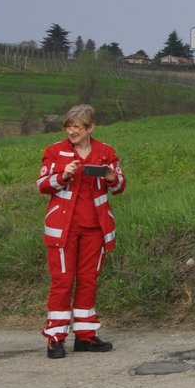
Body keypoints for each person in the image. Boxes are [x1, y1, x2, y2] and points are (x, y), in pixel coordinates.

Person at [35, 104, 124, 358]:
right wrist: (62, 175)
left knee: (88, 280)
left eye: (76, 127)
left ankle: (85, 336)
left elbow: (119, 185)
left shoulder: (106, 152)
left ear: (90, 128)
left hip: (96, 229)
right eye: (68, 127)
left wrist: (110, 176)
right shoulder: (54, 151)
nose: (71, 131)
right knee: (62, 282)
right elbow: (42, 184)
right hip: (63, 229)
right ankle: (55, 337)